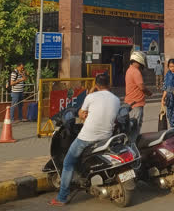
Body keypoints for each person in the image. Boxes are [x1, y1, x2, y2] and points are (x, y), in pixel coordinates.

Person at [49, 72, 120, 206]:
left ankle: (62, 197)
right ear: (109, 84)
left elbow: (81, 115)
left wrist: (92, 91)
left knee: (68, 163)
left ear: (96, 84)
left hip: (87, 137)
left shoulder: (91, 97)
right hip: (106, 137)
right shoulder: (116, 99)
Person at [125, 51, 152, 144]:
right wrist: (149, 93)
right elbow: (141, 87)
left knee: (131, 126)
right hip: (136, 103)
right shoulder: (136, 72)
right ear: (139, 60)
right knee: (135, 127)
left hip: (130, 102)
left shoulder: (129, 70)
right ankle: (132, 147)